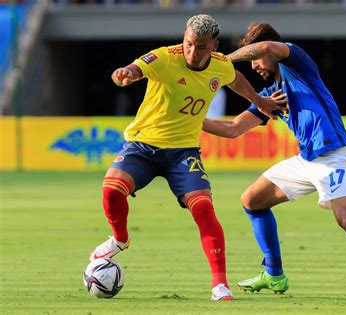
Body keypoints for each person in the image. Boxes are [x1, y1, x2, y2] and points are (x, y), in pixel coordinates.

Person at [203, 22, 346, 299]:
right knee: (252, 200)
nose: (254, 67)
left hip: (334, 154)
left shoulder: (297, 64)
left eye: (255, 60)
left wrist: (223, 59)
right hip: (307, 160)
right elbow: (233, 128)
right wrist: (191, 119)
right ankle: (274, 274)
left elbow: (264, 47)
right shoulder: (268, 97)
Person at [89, 15, 282, 301]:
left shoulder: (220, 65)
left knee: (204, 209)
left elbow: (236, 79)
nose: (192, 51)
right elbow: (136, 67)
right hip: (142, 145)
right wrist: (126, 73)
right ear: (184, 37)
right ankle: (120, 238)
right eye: (189, 43)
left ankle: (219, 285)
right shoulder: (166, 57)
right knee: (111, 191)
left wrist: (261, 101)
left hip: (183, 152)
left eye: (201, 47)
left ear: (214, 46)